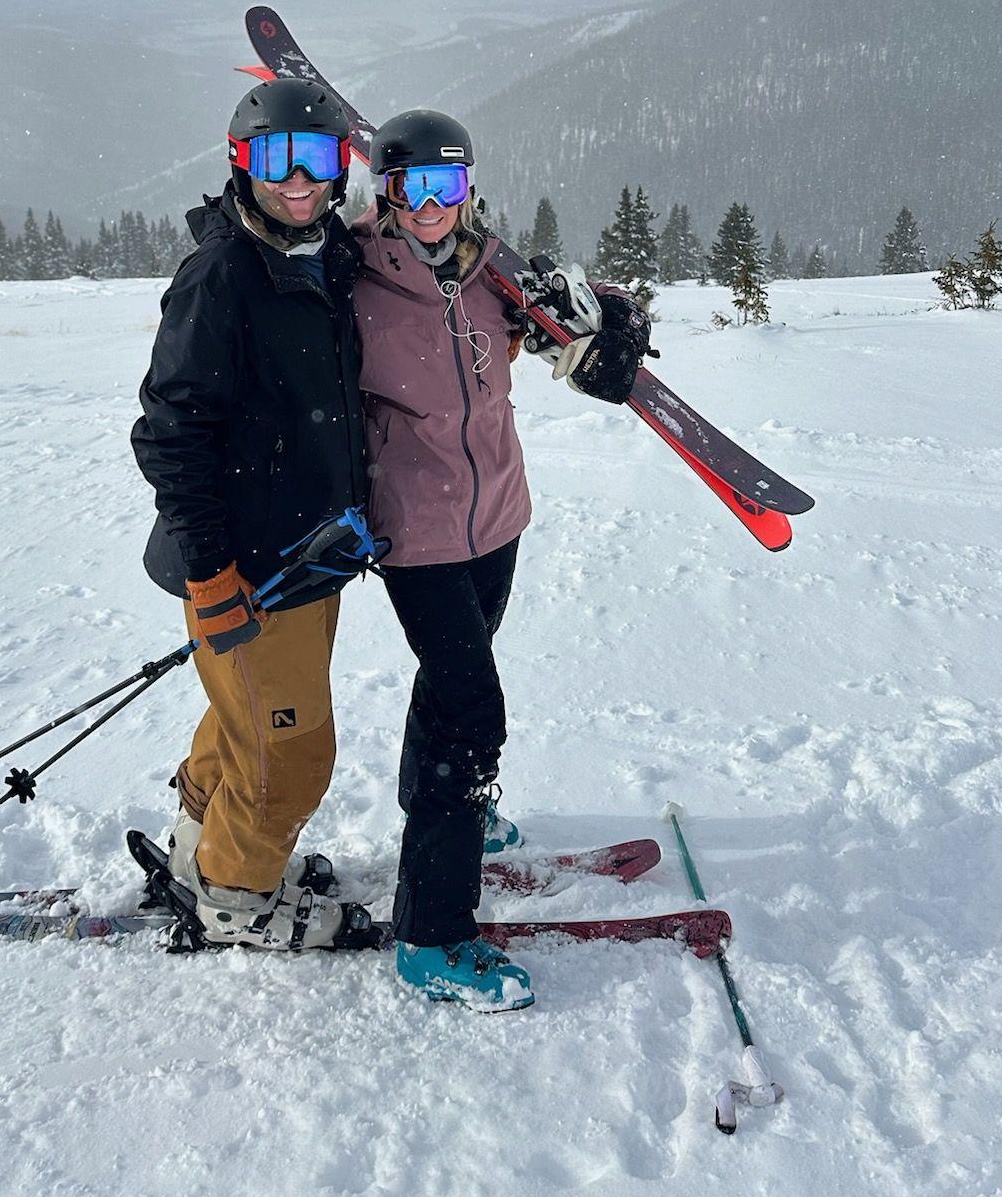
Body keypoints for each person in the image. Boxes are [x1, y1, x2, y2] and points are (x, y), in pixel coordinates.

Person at [352, 108, 651, 1009]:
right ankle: (432, 932)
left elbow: (590, 327)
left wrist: (612, 318)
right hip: (416, 533)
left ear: (468, 188)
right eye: (413, 188)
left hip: (497, 519)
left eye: (448, 186)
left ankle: (454, 817)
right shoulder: (356, 280)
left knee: (453, 680)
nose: (432, 205)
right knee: (470, 710)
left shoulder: (495, 275)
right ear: (388, 192)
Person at [129, 77, 372, 950]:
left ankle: (204, 848)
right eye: (276, 160)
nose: (297, 180)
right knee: (293, 754)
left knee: (244, 721)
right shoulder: (223, 275)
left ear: (342, 168)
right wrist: (210, 571)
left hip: (307, 555)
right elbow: (169, 434)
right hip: (246, 566)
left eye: (316, 159)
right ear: (243, 165)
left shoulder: (329, 252)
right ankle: (236, 896)